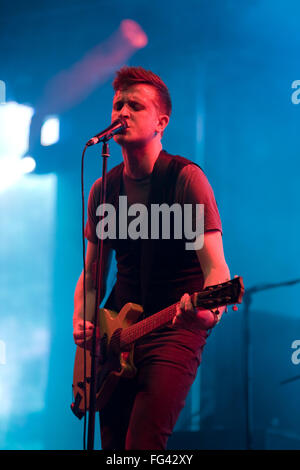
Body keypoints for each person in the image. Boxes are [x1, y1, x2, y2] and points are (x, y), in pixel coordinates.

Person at [73, 66, 230, 450]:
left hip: (174, 326)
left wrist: (208, 311)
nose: (122, 112)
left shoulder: (185, 179)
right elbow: (93, 273)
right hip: (116, 335)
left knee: (143, 443)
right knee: (112, 446)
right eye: (118, 104)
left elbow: (217, 270)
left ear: (161, 122)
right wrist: (83, 321)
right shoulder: (103, 189)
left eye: (135, 106)